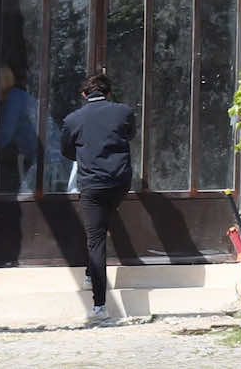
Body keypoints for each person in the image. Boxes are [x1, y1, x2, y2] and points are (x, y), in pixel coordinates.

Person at [60, 72, 135, 325]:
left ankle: (99, 305)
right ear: (108, 92)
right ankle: (91, 275)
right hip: (119, 181)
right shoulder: (123, 111)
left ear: (84, 95)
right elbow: (130, 134)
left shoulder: (73, 119)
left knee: (96, 240)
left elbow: (66, 150)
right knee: (104, 225)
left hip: (92, 185)